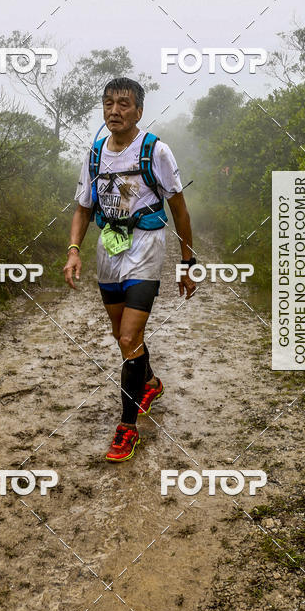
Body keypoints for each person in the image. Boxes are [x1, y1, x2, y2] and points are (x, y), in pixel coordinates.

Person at [63, 77, 196, 461]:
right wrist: (74, 250)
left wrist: (187, 263)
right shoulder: (95, 153)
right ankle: (149, 382)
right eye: (108, 103)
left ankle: (127, 428)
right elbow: (83, 208)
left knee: (127, 339)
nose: (114, 111)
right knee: (125, 339)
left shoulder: (156, 151)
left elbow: (180, 209)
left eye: (123, 104)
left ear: (139, 111)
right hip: (110, 249)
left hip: (147, 247)